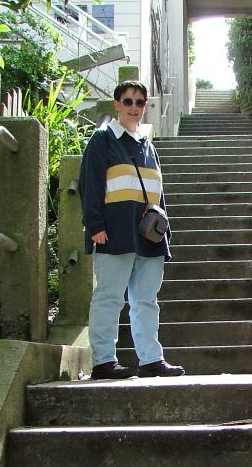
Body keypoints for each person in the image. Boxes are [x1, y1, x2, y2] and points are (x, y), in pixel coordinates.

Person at [79, 80, 185, 379]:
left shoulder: (146, 144)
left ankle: (151, 359)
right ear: (116, 104)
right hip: (114, 231)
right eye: (128, 101)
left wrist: (166, 231)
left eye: (140, 102)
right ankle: (103, 361)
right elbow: (90, 184)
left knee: (146, 299)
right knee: (109, 297)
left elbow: (157, 192)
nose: (135, 108)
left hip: (149, 234)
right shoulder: (103, 140)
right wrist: (95, 225)